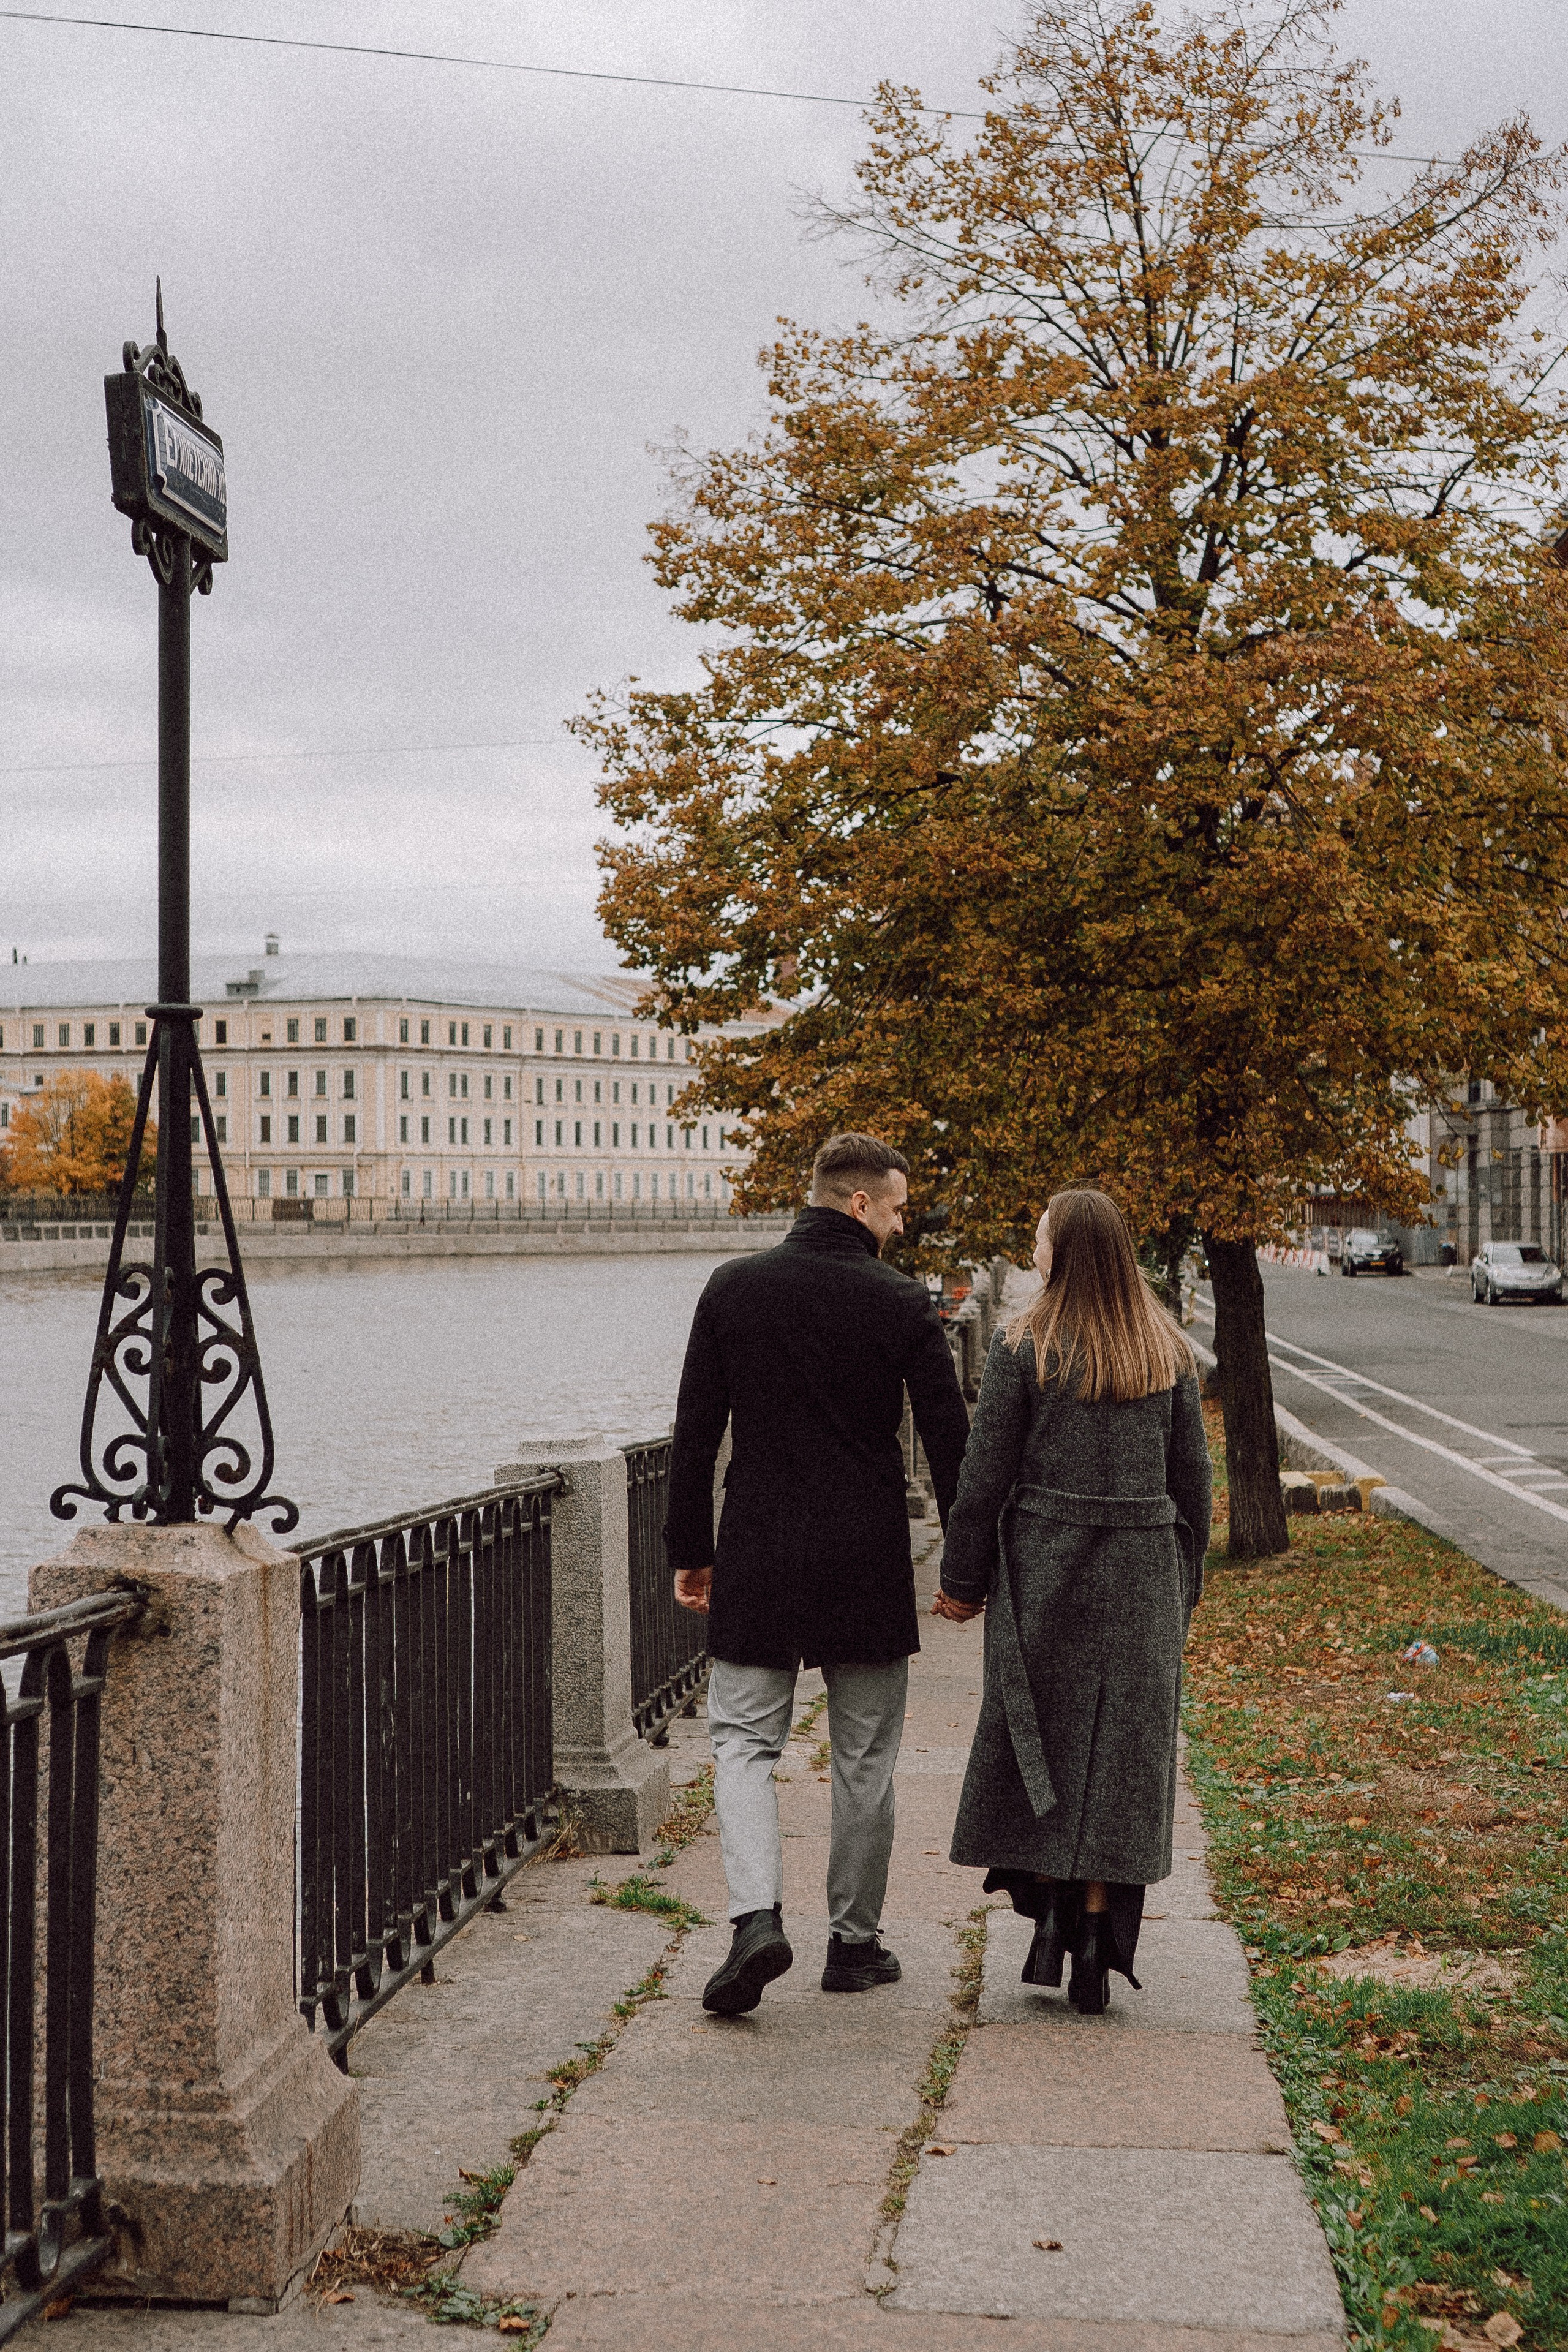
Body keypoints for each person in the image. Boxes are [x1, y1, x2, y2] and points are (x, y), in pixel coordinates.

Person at [665, 1133, 972, 2018]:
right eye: (899, 1209)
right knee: (864, 1758)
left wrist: (691, 1552)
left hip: (758, 1548)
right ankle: (854, 1946)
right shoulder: (900, 1300)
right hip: (864, 1554)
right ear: (859, 1203)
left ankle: (755, 1920)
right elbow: (949, 1440)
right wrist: (966, 1566)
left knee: (741, 1744)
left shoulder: (733, 1287)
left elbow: (695, 1435)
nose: (903, 1225)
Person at [934, 1188, 1212, 2013]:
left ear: (1065, 1250)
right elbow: (1194, 1483)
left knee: (1043, 1742)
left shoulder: (1025, 1344)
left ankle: (1049, 1923)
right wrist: (1183, 1584)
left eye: (1040, 1235)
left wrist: (961, 1581)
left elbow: (983, 1476)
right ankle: (1096, 1937)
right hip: (1142, 1573)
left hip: (1045, 1566)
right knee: (1120, 1758)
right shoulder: (1166, 1350)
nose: (1033, 1246)